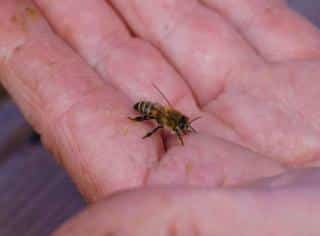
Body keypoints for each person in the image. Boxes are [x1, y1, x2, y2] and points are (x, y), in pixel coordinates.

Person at [1, 0, 320, 235]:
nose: (183, 130)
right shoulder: (168, 121)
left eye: (183, 128)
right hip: (148, 110)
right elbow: (163, 125)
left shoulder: (177, 120)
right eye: (182, 128)